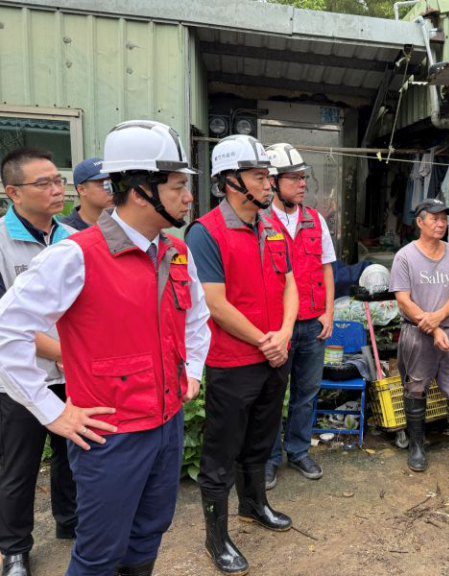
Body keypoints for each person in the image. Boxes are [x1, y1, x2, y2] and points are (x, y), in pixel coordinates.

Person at [0, 120, 211, 576]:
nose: (188, 198)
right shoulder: (75, 255)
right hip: (112, 437)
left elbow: (197, 317)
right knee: (99, 554)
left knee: (148, 535)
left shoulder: (176, 253)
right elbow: (6, 330)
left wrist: (192, 368)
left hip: (167, 424)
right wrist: (51, 412)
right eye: (178, 187)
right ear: (140, 190)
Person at [185, 135, 298, 575]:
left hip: (274, 356)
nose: (268, 183)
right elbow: (214, 302)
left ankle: (254, 506)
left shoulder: (271, 228)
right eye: (258, 175)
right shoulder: (206, 233)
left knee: (260, 440)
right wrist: (265, 341)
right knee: (220, 453)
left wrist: (284, 334)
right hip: (233, 364)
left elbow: (289, 282)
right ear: (230, 182)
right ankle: (217, 538)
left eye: (268, 175)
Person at [0, 148, 77, 576]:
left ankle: (70, 522)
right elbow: (5, 324)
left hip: (73, 375)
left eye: (58, 180)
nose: (55, 189)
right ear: (13, 192)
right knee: (20, 466)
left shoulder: (72, 239)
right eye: (43, 183)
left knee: (72, 455)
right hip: (22, 380)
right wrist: (67, 354)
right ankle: (14, 549)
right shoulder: (0, 243)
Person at [390, 198, 449, 473]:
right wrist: (433, 326)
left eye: (445, 219)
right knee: (416, 389)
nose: (441, 224)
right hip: (416, 332)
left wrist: (439, 319)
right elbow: (403, 299)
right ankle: (418, 446)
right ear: (420, 222)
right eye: (435, 218)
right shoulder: (405, 256)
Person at [264, 143, 336, 489]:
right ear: (274, 182)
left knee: (307, 393)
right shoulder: (261, 221)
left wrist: (329, 314)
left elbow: (326, 270)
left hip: (312, 323)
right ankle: (268, 458)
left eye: (303, 178)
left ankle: (298, 451)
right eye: (294, 178)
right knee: (272, 394)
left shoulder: (315, 219)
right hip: (277, 328)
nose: (302, 184)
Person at [59, 157, 114, 230]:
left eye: (113, 183)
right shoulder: (65, 231)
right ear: (82, 190)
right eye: (104, 185)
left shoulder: (125, 222)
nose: (112, 190)